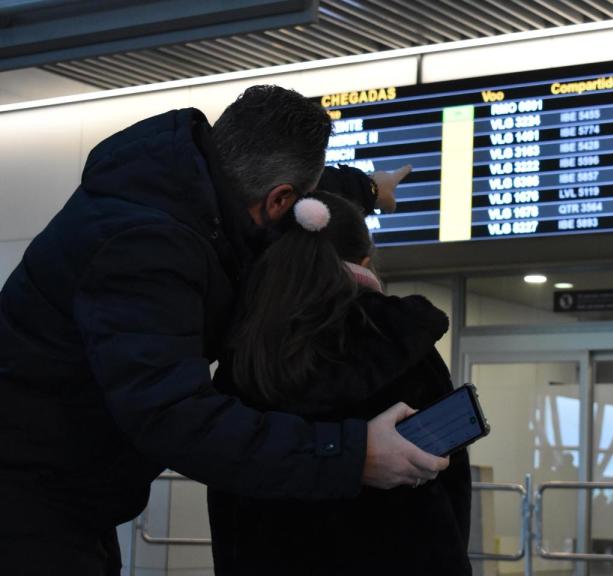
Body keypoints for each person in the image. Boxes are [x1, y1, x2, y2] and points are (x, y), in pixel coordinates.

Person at [0, 85, 446, 575]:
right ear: (282, 199)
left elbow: (296, 196)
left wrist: (366, 188)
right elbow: (175, 416)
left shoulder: (179, 178)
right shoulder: (144, 249)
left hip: (64, 495)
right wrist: (351, 454)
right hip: (30, 507)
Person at [207, 192, 471, 575]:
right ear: (365, 263)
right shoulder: (402, 344)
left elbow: (228, 491)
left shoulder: (246, 355)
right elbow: (450, 481)